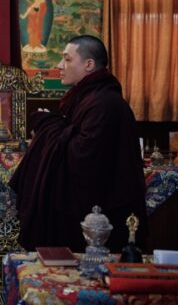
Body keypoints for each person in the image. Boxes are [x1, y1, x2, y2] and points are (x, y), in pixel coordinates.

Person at [10, 35, 147, 252]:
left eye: (67, 59)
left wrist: (49, 125)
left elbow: (83, 155)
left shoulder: (104, 104)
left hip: (100, 211)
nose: (60, 65)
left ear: (89, 65)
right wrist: (55, 126)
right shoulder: (87, 98)